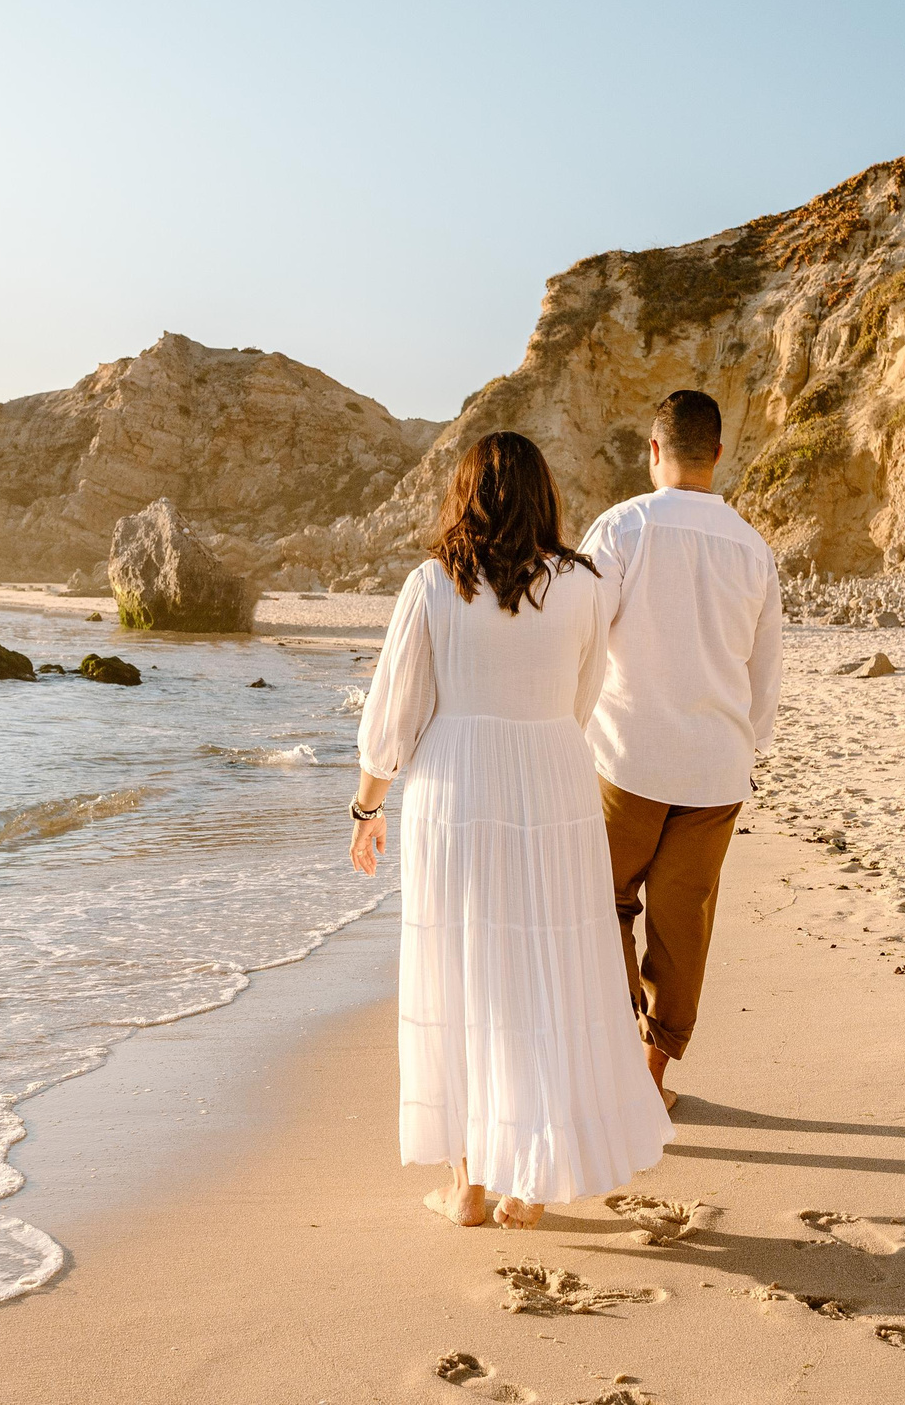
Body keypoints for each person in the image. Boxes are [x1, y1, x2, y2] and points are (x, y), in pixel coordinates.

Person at [348, 430, 673, 1229]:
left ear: (463, 494)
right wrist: (540, 738)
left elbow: (394, 712)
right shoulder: (586, 585)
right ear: (544, 496)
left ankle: (466, 1182)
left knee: (463, 967)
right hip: (554, 776)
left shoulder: (431, 584)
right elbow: (585, 694)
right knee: (545, 968)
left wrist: (367, 805)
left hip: (454, 786)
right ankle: (528, 1184)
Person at [578, 390, 780, 1111]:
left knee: (595, 905)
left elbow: (583, 638)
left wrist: (572, 729)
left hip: (625, 757)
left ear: (653, 449)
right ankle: (649, 1081)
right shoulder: (753, 549)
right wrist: (740, 747)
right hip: (716, 767)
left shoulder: (622, 527)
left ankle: (603, 1056)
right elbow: (765, 677)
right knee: (682, 922)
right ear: (719, 454)